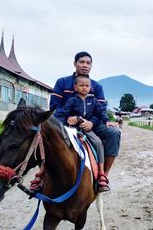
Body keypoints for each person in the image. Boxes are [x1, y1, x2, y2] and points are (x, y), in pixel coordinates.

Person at [50, 51, 121, 179]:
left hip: (92, 124)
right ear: (74, 64)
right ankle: (44, 173)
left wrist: (92, 122)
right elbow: (54, 107)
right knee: (44, 137)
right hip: (66, 123)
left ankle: (104, 174)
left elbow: (101, 110)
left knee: (114, 133)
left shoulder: (96, 86)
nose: (85, 65)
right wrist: (67, 118)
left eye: (88, 63)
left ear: (91, 66)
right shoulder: (62, 82)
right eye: (81, 62)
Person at [56, 74, 110, 192]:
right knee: (57, 144)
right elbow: (62, 114)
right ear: (75, 87)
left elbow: (101, 112)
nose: (84, 88)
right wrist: (65, 120)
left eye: (87, 85)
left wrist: (107, 121)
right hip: (72, 128)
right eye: (81, 85)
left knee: (98, 142)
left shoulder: (94, 100)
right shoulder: (72, 100)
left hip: (86, 129)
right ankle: (42, 173)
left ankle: (101, 172)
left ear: (90, 87)